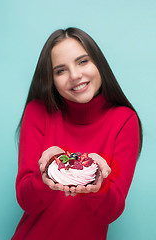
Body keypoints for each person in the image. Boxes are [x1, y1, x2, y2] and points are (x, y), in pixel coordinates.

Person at [11, 27, 143, 240]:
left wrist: (98, 186)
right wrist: (42, 177)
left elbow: (111, 212)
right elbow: (27, 202)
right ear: (51, 79)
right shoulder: (38, 111)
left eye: (83, 61)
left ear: (98, 64)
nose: (75, 75)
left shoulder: (124, 120)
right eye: (60, 70)